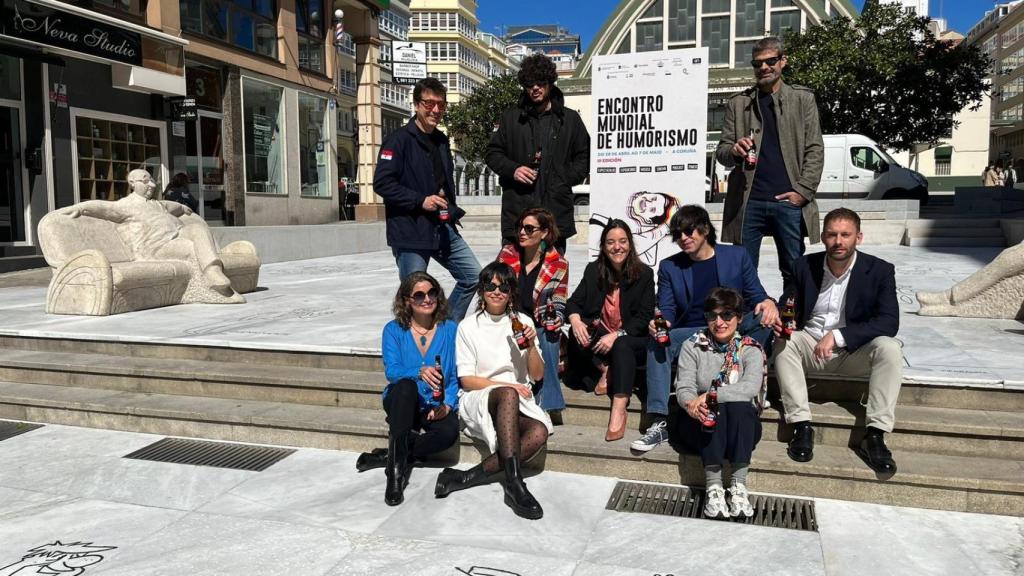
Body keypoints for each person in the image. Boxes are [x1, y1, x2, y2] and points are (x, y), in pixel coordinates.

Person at [632, 205, 778, 453]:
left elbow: (756, 295)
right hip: (692, 331)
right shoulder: (670, 267)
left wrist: (769, 303)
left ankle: (749, 386)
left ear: (705, 229)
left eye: (689, 231)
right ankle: (659, 420)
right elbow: (666, 307)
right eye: (678, 234)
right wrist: (662, 322)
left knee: (765, 318)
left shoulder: (737, 256)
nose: (683, 238)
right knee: (658, 339)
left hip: (731, 325)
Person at [774, 208, 902, 475]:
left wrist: (839, 336)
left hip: (852, 352)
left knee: (889, 348)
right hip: (811, 345)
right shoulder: (804, 266)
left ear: (859, 237)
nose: (838, 241)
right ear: (822, 237)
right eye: (832, 234)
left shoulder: (879, 271)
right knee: (784, 344)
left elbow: (889, 322)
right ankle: (801, 426)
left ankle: (875, 434)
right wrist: (780, 315)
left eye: (846, 235)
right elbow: (789, 302)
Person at [434, 262, 552, 520]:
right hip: (480, 397)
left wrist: (531, 346)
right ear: (481, 290)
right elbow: (466, 380)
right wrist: (508, 385)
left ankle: (466, 477)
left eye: (504, 286)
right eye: (490, 285)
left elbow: (538, 375)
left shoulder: (522, 322)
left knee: (539, 432)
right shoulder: (468, 326)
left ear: (511, 292)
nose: (497, 291)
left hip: (517, 399)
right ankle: (515, 484)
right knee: (507, 394)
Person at [715, 36, 824, 297]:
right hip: (747, 201)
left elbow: (815, 149)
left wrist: (803, 191)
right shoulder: (738, 104)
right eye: (757, 64)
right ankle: (748, 322)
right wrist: (734, 150)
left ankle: (792, 319)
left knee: (793, 267)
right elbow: (721, 152)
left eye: (770, 61)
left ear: (783, 62)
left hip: (788, 200)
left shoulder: (802, 99)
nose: (764, 68)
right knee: (742, 270)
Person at [374, 77, 480, 321]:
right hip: (411, 230)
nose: (435, 110)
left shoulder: (442, 140)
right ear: (416, 105)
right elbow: (382, 183)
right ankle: (416, 344)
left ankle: (444, 328)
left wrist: (449, 207)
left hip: (442, 226)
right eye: (429, 104)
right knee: (415, 295)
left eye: (441, 105)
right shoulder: (398, 140)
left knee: (473, 276)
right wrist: (421, 200)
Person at [356, 272, 460, 506]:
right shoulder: (393, 330)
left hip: (434, 403)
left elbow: (455, 376)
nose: (427, 299)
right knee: (404, 387)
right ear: (406, 301)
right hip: (402, 401)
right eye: (419, 295)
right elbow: (392, 371)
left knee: (448, 433)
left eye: (432, 292)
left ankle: (391, 454)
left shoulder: (450, 329)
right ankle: (395, 475)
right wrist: (419, 371)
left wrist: (447, 404)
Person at [59, 168, 239, 300]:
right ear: (132, 184)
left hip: (177, 237)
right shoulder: (126, 205)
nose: (151, 185)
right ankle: (212, 289)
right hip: (157, 249)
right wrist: (81, 207)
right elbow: (104, 207)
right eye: (145, 182)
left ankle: (213, 272)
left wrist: (182, 207)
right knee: (192, 248)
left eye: (152, 180)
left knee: (197, 229)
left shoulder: (157, 204)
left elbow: (171, 206)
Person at [675, 287, 767, 519]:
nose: (719, 322)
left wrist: (709, 396)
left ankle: (738, 485)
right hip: (699, 425)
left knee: (737, 405)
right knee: (714, 412)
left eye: (727, 315)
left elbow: (750, 388)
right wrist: (693, 405)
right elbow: (684, 388)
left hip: (740, 428)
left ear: (739, 318)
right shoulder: (692, 346)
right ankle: (714, 487)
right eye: (712, 316)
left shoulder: (750, 349)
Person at [485, 53, 590, 251]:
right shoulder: (510, 118)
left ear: (550, 83)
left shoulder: (570, 119)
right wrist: (513, 169)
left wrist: (564, 178)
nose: (535, 88)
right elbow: (493, 153)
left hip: (554, 214)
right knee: (513, 278)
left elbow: (584, 158)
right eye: (529, 84)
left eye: (540, 82)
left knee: (550, 280)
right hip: (518, 215)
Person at [564, 220, 655, 442]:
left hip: (631, 340)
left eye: (622, 241)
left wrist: (617, 334)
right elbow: (574, 302)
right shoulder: (593, 270)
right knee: (578, 331)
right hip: (601, 340)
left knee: (622, 344)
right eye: (611, 242)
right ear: (604, 246)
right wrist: (575, 320)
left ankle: (619, 407)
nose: (617, 247)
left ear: (630, 244)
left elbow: (644, 317)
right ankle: (604, 368)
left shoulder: (644, 274)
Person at [496, 207, 569, 419]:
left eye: (529, 229)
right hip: (507, 320)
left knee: (550, 333)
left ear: (544, 232)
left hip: (537, 323)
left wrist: (556, 318)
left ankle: (547, 404)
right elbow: (493, 290)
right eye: (520, 227)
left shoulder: (558, 264)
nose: (522, 233)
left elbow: (559, 300)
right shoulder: (508, 255)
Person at [589, 191, 679, 266]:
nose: (647, 203)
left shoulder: (647, 246)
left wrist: (666, 227)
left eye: (652, 210)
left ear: (649, 222)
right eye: (653, 198)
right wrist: (665, 227)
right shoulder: (602, 217)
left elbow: (637, 249)